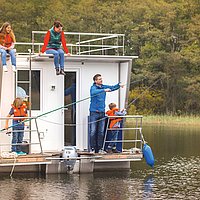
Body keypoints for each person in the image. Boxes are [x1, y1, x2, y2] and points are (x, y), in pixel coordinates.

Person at [89, 74, 124, 153]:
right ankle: (92, 148)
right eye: (99, 79)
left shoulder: (104, 86)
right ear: (95, 81)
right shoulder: (93, 88)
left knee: (101, 132)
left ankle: (100, 149)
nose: (101, 80)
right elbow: (93, 92)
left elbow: (112, 88)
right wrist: (104, 90)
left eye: (101, 79)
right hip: (94, 113)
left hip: (102, 113)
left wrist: (119, 85)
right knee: (93, 131)